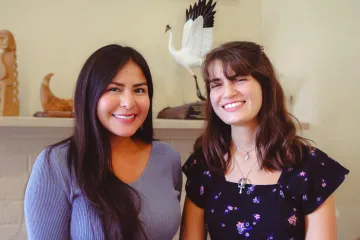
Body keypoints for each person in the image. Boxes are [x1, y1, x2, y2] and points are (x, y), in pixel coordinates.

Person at [180, 41, 349, 239]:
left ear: (265, 85)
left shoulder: (310, 167)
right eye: (216, 84)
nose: (227, 93)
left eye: (239, 79)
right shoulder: (204, 165)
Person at [24, 44, 182, 240]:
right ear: (90, 95)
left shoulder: (168, 158)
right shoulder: (56, 163)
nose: (128, 102)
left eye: (139, 90)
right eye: (114, 89)